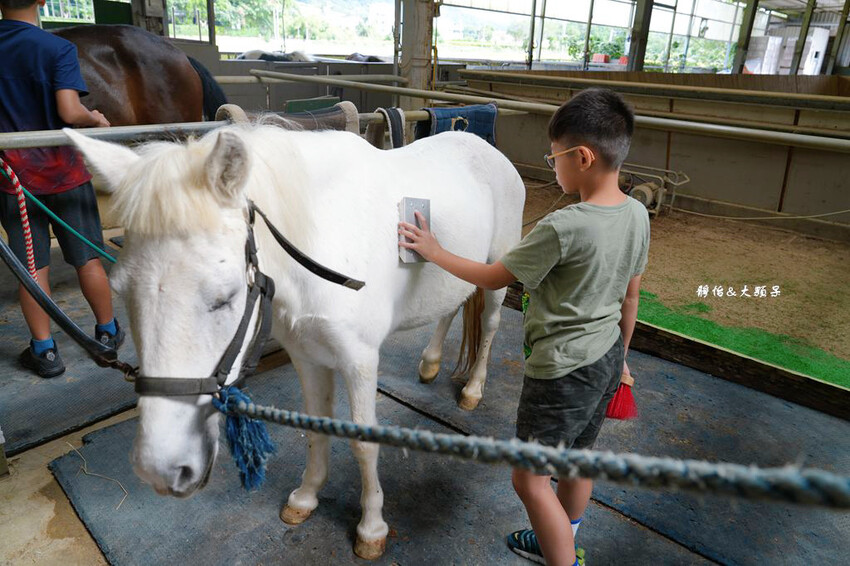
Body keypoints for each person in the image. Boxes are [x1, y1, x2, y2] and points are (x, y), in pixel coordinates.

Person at [399, 88, 649, 566]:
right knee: (579, 461)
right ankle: (563, 540)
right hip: (607, 356)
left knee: (530, 480)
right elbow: (631, 295)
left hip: (561, 374)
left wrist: (433, 251)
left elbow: (494, 277)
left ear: (581, 157)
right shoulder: (637, 212)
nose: (551, 166)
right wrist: (624, 359)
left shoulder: (563, 226)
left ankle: (563, 561)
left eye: (552, 156)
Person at [0, 0, 123, 378]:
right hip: (65, 175)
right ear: (41, 1)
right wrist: (95, 118)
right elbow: (70, 112)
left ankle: (45, 351)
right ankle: (106, 334)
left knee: (33, 267)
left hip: (14, 180)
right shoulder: (56, 48)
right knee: (87, 259)